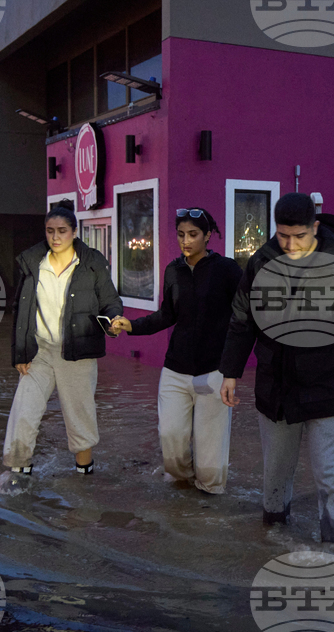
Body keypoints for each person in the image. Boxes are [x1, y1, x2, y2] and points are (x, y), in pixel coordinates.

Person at [219, 193, 334, 542]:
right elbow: (242, 319)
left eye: (299, 236)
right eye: (283, 236)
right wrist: (231, 373)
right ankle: (271, 542)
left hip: (329, 383)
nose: (290, 244)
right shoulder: (261, 263)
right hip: (276, 386)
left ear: (315, 227)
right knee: (275, 473)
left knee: (330, 474)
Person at [108, 208, 242, 494]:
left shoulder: (228, 270)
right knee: (170, 439)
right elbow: (166, 315)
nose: (186, 241)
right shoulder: (173, 270)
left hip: (214, 371)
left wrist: (232, 368)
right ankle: (182, 497)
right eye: (181, 235)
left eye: (193, 235)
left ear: (208, 235)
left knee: (210, 456)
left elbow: (243, 318)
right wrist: (130, 325)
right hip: (175, 370)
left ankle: (207, 508)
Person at [2, 199, 123, 486]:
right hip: (40, 353)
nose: (55, 237)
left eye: (62, 231)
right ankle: (18, 479)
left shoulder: (91, 262)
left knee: (79, 418)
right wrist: (20, 352)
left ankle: (84, 480)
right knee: (24, 413)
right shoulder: (34, 263)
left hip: (77, 353)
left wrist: (115, 320)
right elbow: (21, 310)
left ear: (74, 232)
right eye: (50, 230)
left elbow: (110, 300)